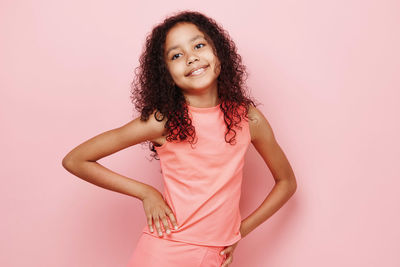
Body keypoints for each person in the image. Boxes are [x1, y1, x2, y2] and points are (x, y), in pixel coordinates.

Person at [62, 10, 297, 267]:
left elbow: (286, 182)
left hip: (215, 257)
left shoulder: (248, 118)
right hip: (164, 251)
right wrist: (145, 192)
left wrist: (241, 230)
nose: (191, 57)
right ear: (167, 74)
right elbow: (76, 159)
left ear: (218, 52)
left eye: (198, 45)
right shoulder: (163, 121)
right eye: (176, 55)